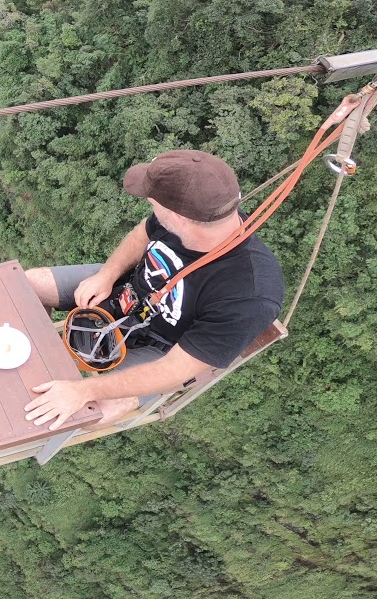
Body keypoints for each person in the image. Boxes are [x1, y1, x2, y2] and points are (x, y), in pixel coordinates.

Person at [24, 150, 285, 430]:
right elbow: (142, 234)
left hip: (164, 349)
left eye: (153, 203)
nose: (151, 209)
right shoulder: (199, 217)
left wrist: (83, 391)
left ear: (177, 216)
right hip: (127, 292)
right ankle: (27, 359)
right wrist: (106, 275)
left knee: (92, 412)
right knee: (29, 285)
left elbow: (175, 369)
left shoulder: (248, 296)